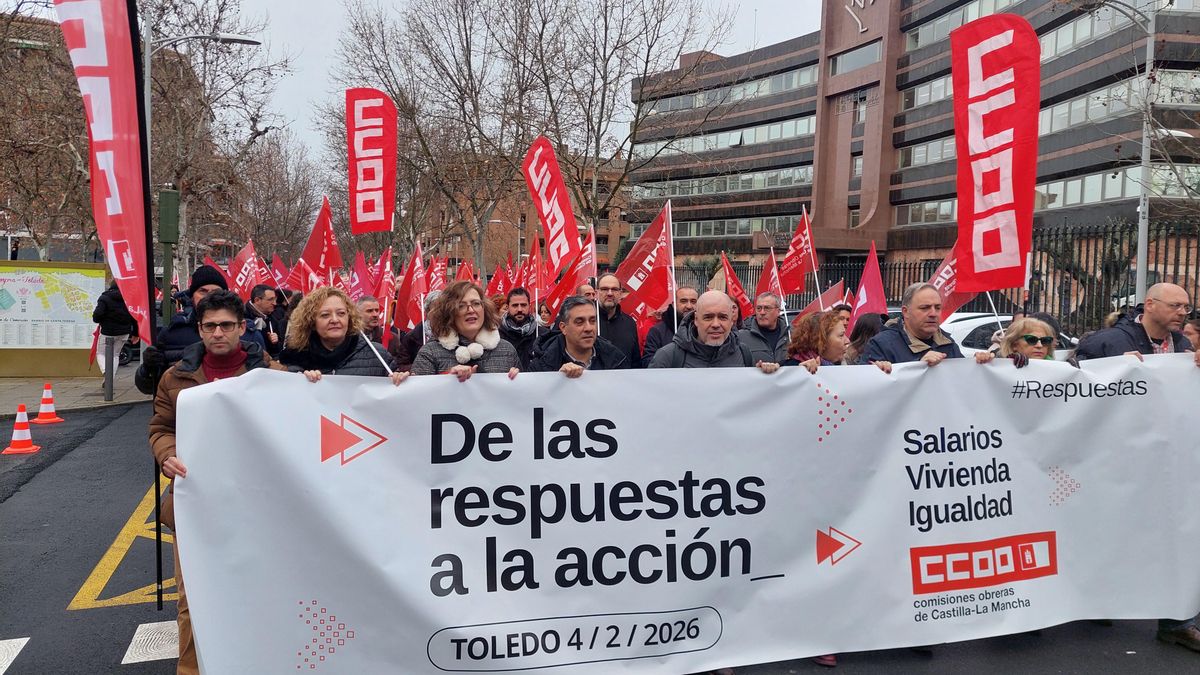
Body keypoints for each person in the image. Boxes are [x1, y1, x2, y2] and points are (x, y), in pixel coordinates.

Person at [147, 290, 286, 675]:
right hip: (197, 506)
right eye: (210, 326)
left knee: (257, 592)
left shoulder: (271, 375)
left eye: (226, 325)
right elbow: (160, 428)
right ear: (199, 329)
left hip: (255, 506)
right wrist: (166, 454)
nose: (218, 333)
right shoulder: (175, 377)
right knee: (193, 599)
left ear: (242, 327)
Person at [135, 265, 265, 394]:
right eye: (203, 291)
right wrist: (147, 369)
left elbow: (264, 386)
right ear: (192, 296)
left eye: (215, 291)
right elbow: (150, 387)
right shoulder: (171, 333)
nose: (209, 296)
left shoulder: (250, 335)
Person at [278, 287, 405, 382]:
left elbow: (396, 396)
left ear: (350, 318)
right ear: (311, 322)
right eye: (325, 315)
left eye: (341, 313)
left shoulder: (377, 355)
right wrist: (302, 380)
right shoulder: (296, 357)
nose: (335, 320)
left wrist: (399, 379)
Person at [411, 280, 520, 381]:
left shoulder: (507, 351)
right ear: (448, 313)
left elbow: (521, 393)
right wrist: (448, 378)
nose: (471, 310)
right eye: (461, 306)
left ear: (484, 308)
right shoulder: (430, 353)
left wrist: (516, 380)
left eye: (476, 303)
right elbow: (420, 392)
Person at [862, 283, 993, 366]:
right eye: (925, 308)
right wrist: (918, 367)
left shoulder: (949, 344)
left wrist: (978, 364)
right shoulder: (881, 345)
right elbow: (869, 389)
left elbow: (962, 383)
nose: (933, 313)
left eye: (937, 308)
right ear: (906, 312)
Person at [650, 290, 779, 373]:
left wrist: (764, 375)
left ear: (731, 320)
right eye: (708, 317)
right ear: (696, 319)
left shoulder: (744, 353)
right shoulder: (668, 356)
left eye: (723, 317)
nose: (716, 324)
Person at [1075, 283, 1195, 359]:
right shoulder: (1108, 342)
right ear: (1150, 305)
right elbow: (1079, 379)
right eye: (1175, 305)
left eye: (1186, 307)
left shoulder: (1184, 345)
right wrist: (1113, 366)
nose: (1182, 312)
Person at [530, 296, 631, 375]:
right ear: (563, 328)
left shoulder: (616, 360)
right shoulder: (541, 366)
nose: (588, 328)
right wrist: (557, 379)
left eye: (592, 321)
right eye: (579, 322)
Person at [785, 311, 892, 375]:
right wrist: (797, 373)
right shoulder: (788, 369)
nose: (847, 341)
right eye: (841, 335)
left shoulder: (845, 368)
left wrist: (877, 373)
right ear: (820, 340)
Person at [643, 286, 699, 367]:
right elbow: (648, 362)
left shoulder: (703, 330)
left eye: (693, 301)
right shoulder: (657, 331)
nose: (689, 306)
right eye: (683, 301)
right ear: (674, 304)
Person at [595, 273, 643, 368]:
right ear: (596, 293)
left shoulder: (629, 323)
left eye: (614, 289)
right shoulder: (585, 322)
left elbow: (635, 362)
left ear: (620, 293)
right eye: (604, 289)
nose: (609, 293)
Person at [92, 280, 136, 375]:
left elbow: (98, 314)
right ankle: (110, 378)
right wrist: (135, 333)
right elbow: (134, 316)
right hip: (124, 332)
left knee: (101, 353)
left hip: (108, 331)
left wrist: (99, 320)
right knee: (115, 355)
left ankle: (105, 371)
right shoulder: (128, 298)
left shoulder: (104, 298)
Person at [390, 290, 440, 371]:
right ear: (427, 311)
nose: (440, 311)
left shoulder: (455, 333)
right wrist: (418, 368)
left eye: (444, 307)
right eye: (436, 307)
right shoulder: (412, 337)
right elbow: (401, 365)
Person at [738, 292, 790, 364]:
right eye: (759, 308)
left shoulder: (791, 335)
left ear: (778, 311)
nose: (762, 312)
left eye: (767, 308)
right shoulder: (741, 336)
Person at [498, 287, 539, 370]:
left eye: (523, 305)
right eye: (515, 305)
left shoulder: (542, 334)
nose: (519, 309)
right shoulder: (496, 336)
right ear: (507, 307)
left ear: (529, 306)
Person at [245, 284, 282, 356]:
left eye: (275, 299)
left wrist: (275, 342)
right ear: (257, 300)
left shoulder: (273, 317)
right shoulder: (242, 316)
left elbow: (277, 350)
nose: (275, 303)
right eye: (270, 299)